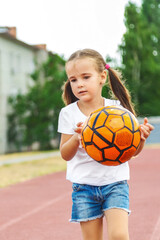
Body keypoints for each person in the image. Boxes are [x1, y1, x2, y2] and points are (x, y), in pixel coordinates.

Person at [57, 49, 154, 240]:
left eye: (86, 77)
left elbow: (131, 152)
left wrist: (140, 139)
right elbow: (65, 154)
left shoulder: (118, 111)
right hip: (84, 188)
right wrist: (77, 138)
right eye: (73, 80)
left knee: (119, 236)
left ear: (102, 77)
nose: (79, 84)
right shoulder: (68, 114)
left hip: (115, 183)